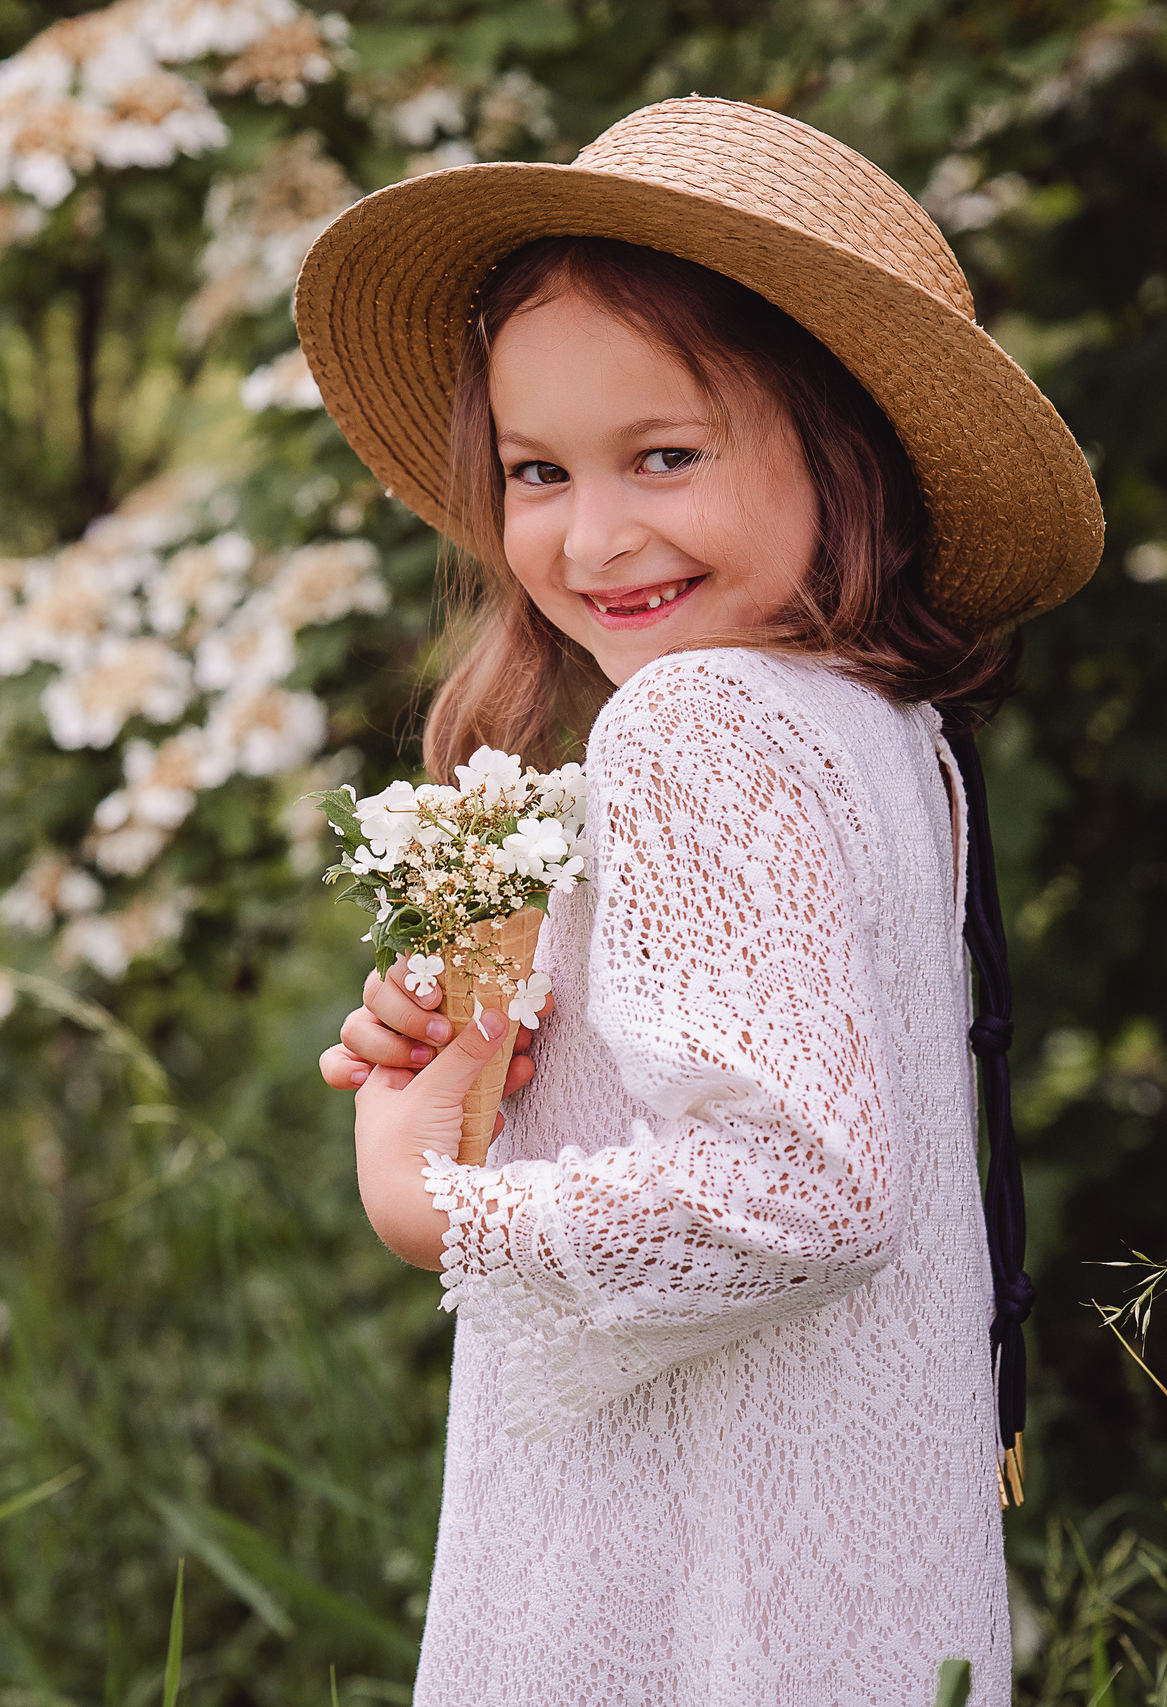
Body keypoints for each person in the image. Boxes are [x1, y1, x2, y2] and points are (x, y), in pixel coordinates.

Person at [297, 96, 1102, 1705]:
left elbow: (801, 1185)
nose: (596, 536)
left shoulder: (699, 722)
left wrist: (430, 1200)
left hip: (696, 1610)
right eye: (537, 470)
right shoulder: (882, 732)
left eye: (665, 455)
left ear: (847, 456)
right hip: (836, 1584)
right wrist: (479, 1070)